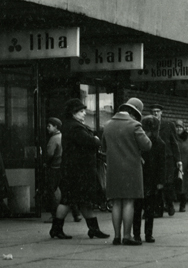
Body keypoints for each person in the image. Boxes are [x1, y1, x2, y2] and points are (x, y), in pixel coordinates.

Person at [49, 98, 109, 240]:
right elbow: (89, 142)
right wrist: (96, 139)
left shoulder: (72, 125)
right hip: (78, 171)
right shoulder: (74, 127)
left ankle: (92, 229)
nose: (84, 114)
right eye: (81, 111)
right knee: (70, 200)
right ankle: (57, 229)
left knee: (80, 200)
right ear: (73, 113)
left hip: (75, 170)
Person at [102, 98, 151, 246]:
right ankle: (127, 236)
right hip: (131, 169)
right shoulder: (134, 125)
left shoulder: (107, 125)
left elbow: (103, 147)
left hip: (113, 169)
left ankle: (116, 236)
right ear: (134, 113)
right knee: (129, 202)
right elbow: (147, 145)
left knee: (116, 202)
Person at [134, 114, 164, 244]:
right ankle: (138, 234)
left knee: (148, 209)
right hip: (145, 178)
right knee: (139, 208)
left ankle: (146, 233)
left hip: (149, 178)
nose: (147, 133)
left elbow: (162, 164)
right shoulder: (153, 142)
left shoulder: (159, 144)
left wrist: (160, 181)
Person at [149, 104, 181, 216]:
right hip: (154, 158)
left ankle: (170, 203)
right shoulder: (149, 124)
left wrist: (178, 159)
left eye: (157, 111)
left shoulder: (168, 124)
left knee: (168, 183)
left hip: (168, 158)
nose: (155, 113)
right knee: (157, 183)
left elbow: (174, 142)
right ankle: (158, 209)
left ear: (162, 112)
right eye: (153, 111)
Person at [42, 117, 63, 223]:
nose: (47, 128)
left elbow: (50, 153)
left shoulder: (53, 139)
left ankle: (55, 214)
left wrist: (45, 162)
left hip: (54, 167)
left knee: (51, 191)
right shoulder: (62, 137)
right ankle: (76, 213)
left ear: (55, 127)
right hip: (62, 167)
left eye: (49, 126)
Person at [174, 120, 188, 212]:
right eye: (177, 127)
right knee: (174, 185)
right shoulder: (173, 137)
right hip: (175, 164)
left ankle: (183, 205)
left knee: (185, 186)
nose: (178, 129)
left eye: (180, 127)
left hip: (186, 165)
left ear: (183, 128)